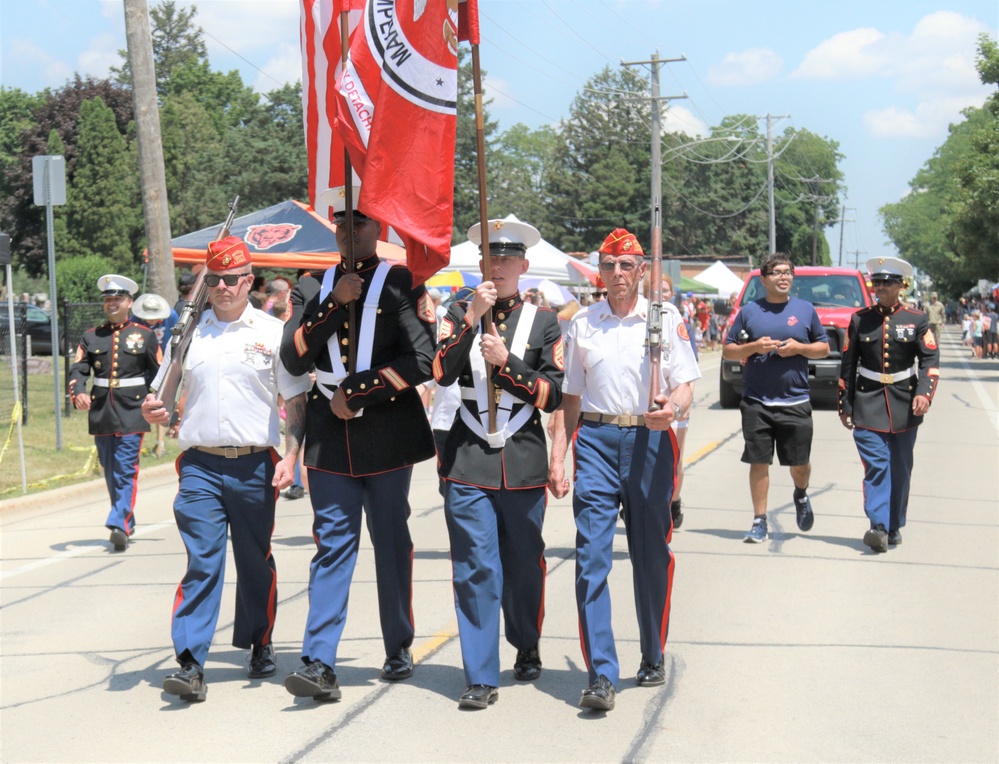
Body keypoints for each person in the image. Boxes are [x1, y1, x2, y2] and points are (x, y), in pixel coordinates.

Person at [279, 186, 437, 702]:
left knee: (391, 545)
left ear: (380, 230)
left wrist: (360, 392)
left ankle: (397, 645)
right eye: (342, 224)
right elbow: (295, 356)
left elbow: (420, 359)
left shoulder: (400, 282)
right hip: (328, 433)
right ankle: (319, 660)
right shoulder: (311, 285)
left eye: (360, 224)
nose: (349, 233)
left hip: (387, 430)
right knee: (331, 547)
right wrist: (333, 302)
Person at [141, 236, 311, 702]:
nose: (222, 287)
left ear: (249, 281)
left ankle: (259, 641)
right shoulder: (189, 333)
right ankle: (191, 661)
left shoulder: (271, 333)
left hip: (255, 463)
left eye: (232, 279)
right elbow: (161, 396)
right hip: (199, 465)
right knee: (203, 560)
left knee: (254, 561)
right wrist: (156, 411)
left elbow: (295, 399)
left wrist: (291, 459)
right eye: (214, 279)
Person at [549, 228, 699, 712]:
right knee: (591, 556)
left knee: (650, 554)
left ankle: (652, 651)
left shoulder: (664, 319)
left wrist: (670, 408)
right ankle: (601, 674)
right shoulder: (582, 325)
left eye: (627, 266)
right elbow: (569, 398)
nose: (618, 274)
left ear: (641, 271)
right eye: (610, 265)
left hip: (650, 438)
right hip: (594, 439)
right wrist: (559, 455)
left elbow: (686, 388)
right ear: (600, 270)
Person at [433, 219, 564, 710]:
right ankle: (481, 674)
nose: (501, 266)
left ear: (524, 267)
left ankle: (526, 640)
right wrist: (472, 321)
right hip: (468, 456)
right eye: (493, 258)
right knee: (475, 568)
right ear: (481, 264)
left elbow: (551, 395)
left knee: (525, 566)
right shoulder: (457, 310)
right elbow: (441, 372)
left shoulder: (543, 321)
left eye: (509, 259)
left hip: (523, 457)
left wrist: (507, 362)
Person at [722, 254, 830, 543]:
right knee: (759, 462)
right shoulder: (749, 311)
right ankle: (759, 521)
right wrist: (754, 346)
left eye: (788, 272)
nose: (784, 277)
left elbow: (823, 348)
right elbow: (728, 350)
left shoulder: (805, 310)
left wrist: (799, 348)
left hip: (794, 401)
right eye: (777, 272)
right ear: (763, 278)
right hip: (757, 400)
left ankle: (801, 493)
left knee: (800, 464)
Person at [838, 257, 939, 552]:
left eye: (886, 283)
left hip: (905, 403)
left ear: (901, 286)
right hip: (868, 401)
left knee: (901, 468)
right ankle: (878, 526)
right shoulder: (859, 320)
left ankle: (894, 525)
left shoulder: (916, 320)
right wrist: (845, 404)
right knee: (877, 466)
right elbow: (848, 364)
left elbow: (930, 360)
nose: (879, 288)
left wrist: (925, 393)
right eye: (875, 282)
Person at [68, 275, 161, 551]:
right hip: (102, 411)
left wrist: (161, 404)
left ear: (129, 302)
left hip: (134, 410)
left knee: (125, 469)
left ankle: (119, 521)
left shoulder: (144, 335)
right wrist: (78, 393)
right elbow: (78, 369)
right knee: (110, 469)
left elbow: (160, 373)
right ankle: (126, 520)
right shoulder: (90, 336)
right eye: (108, 299)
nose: (112, 304)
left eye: (117, 299)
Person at [131, 293, 179, 457]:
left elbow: (177, 338)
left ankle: (161, 443)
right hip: (143, 364)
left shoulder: (171, 317)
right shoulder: (135, 320)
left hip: (164, 363)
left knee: (161, 402)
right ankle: (136, 442)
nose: (152, 321)